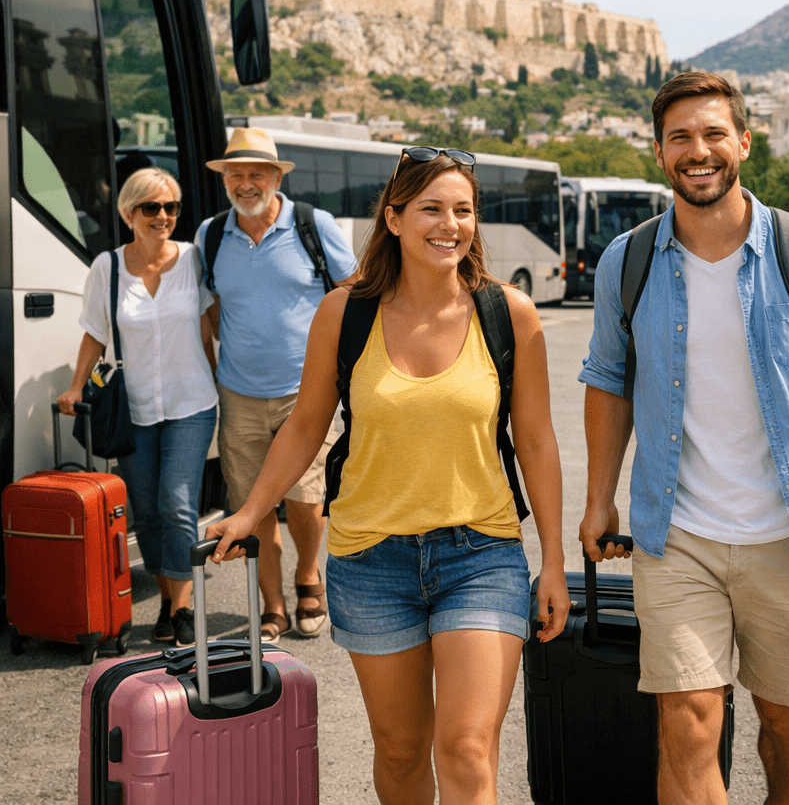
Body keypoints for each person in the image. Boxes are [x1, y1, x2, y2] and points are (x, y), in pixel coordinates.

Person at [578, 71, 789, 805]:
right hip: (678, 533)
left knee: (786, 720)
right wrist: (598, 497)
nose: (698, 152)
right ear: (660, 152)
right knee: (688, 721)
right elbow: (607, 380)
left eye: (712, 135)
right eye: (680, 139)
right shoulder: (627, 262)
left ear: (743, 144)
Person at [208, 146, 570, 804]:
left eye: (463, 210)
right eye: (431, 208)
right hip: (371, 560)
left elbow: (538, 442)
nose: (449, 224)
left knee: (465, 749)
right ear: (395, 218)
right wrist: (249, 509)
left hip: (481, 556)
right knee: (401, 754)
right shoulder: (345, 313)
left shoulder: (507, 312)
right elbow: (304, 427)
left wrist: (552, 560)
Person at [197, 128, 358, 642]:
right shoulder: (211, 234)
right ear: (225, 180)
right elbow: (212, 307)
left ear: (275, 178)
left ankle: (308, 576)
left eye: (256, 174)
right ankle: (272, 605)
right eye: (236, 174)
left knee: (307, 500)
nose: (246, 184)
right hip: (239, 394)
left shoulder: (315, 225)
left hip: (305, 391)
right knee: (251, 506)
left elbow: (355, 290)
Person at [58, 168, 218, 648]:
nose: (164, 216)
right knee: (145, 511)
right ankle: (168, 598)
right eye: (152, 208)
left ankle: (185, 606)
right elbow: (94, 331)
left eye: (171, 207)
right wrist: (74, 386)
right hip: (136, 408)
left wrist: (230, 378)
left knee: (176, 501)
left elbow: (213, 320)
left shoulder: (193, 260)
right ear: (129, 213)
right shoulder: (107, 267)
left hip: (193, 400)